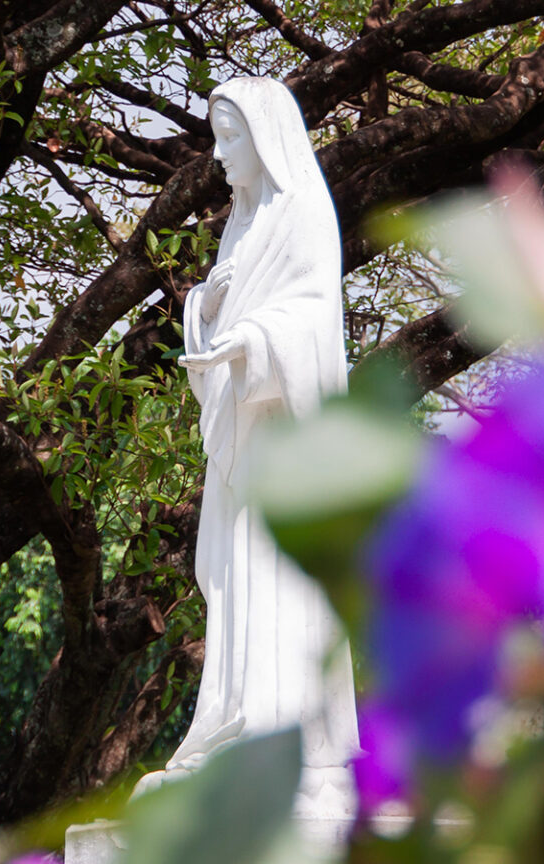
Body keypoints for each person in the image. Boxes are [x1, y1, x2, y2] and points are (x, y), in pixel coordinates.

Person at [133, 77, 358, 815]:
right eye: (217, 135)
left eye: (230, 136)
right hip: (244, 437)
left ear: (265, 137)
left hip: (286, 438)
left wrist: (254, 339)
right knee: (231, 579)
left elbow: (312, 317)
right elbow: (225, 306)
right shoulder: (240, 223)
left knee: (278, 577)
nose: (220, 154)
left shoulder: (302, 213)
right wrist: (207, 308)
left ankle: (289, 739)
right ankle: (238, 727)